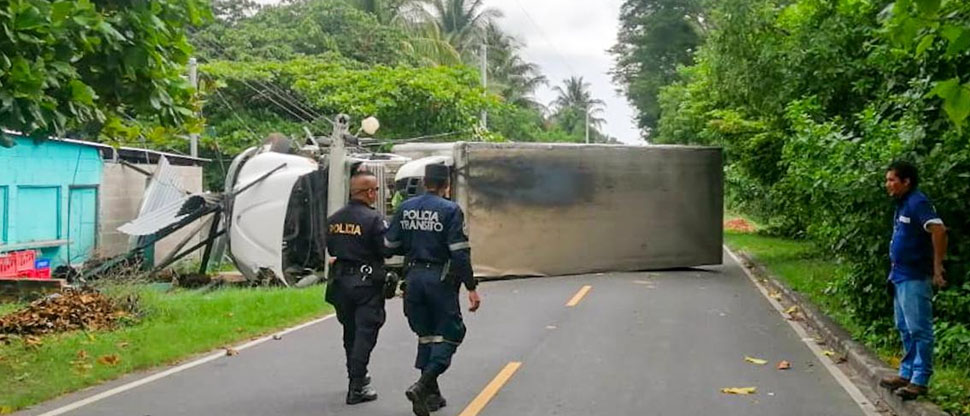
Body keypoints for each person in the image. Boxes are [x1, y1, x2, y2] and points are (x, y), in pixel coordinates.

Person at [385, 163, 481, 416]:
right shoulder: (450, 210)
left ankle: (432, 396)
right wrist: (471, 287)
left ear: (425, 182)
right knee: (451, 332)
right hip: (439, 279)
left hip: (413, 279)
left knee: (426, 335)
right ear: (446, 185)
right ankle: (423, 385)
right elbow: (459, 253)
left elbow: (389, 244)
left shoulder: (405, 208)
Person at [879, 160, 948, 400]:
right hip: (899, 274)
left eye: (892, 180)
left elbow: (938, 229)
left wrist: (937, 266)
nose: (887, 184)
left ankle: (920, 379)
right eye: (887, 179)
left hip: (915, 276)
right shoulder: (902, 204)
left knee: (919, 328)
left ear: (906, 181)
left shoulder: (918, 202)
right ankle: (906, 373)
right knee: (904, 327)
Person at [325, 171, 390, 405]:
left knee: (349, 331)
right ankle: (357, 384)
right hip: (366, 283)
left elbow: (331, 248)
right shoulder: (374, 219)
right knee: (366, 331)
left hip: (340, 283)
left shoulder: (334, 219)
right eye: (375, 190)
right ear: (369, 192)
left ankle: (356, 377)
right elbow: (386, 249)